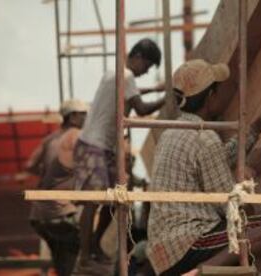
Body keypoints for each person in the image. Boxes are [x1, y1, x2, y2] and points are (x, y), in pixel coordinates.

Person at [146, 59, 261, 275]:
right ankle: (201, 272)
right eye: (219, 89)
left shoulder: (171, 133)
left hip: (164, 252)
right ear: (210, 97)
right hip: (190, 243)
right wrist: (250, 171)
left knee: (251, 231)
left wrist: (252, 131)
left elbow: (215, 158)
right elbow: (232, 209)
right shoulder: (205, 137)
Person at [73, 38, 165, 270]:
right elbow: (141, 109)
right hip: (94, 145)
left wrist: (154, 89)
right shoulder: (127, 76)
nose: (146, 72)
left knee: (116, 198)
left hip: (101, 146)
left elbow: (131, 93)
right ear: (138, 57)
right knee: (92, 203)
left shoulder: (114, 73)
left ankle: (93, 245)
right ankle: (85, 256)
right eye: (148, 66)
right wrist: (166, 98)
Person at [28, 99, 88, 276]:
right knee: (76, 260)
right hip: (60, 213)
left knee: (62, 264)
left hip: (39, 215)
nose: (87, 117)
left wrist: (52, 170)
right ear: (73, 117)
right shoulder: (77, 135)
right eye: (84, 114)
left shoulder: (49, 139)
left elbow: (30, 165)